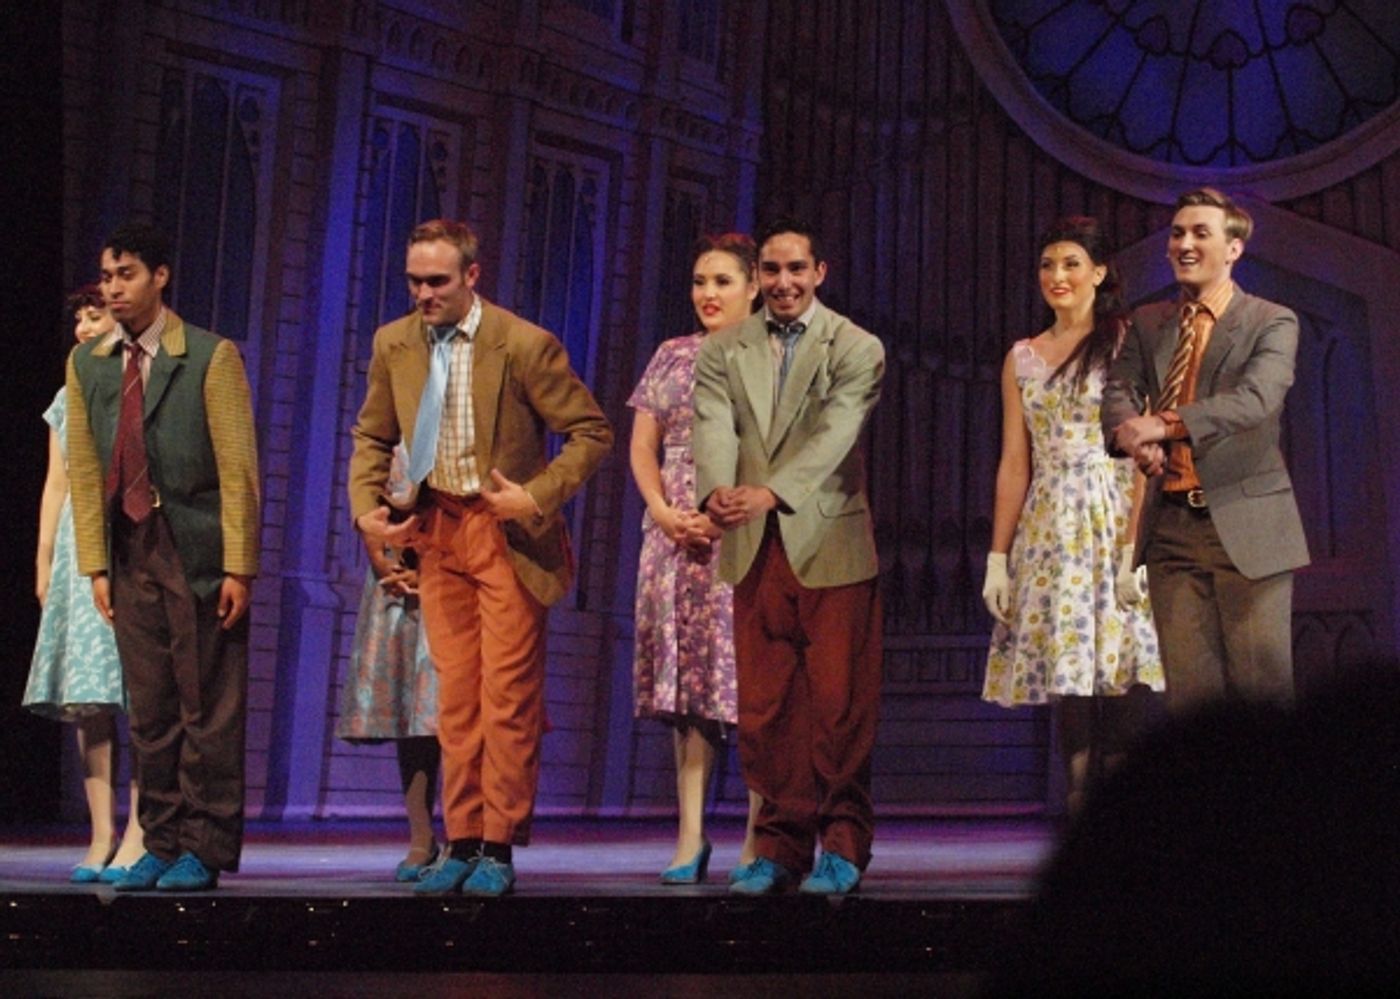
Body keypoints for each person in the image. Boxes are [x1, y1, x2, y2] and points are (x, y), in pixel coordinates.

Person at [349, 218, 612, 897]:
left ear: (472, 275)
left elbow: (590, 432)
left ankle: (498, 842)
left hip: (505, 534)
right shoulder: (395, 343)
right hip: (439, 528)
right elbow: (372, 434)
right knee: (456, 698)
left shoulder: (523, 343)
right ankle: (460, 837)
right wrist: (364, 506)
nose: (424, 293)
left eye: (437, 280)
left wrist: (535, 496)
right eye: (414, 280)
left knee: (508, 697)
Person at [693, 216, 885, 895]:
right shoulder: (724, 349)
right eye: (770, 270)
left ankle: (842, 844)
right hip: (754, 545)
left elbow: (837, 433)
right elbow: (713, 421)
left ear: (819, 272)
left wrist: (769, 492)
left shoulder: (856, 346)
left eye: (795, 269)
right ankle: (778, 844)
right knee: (768, 707)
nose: (782, 282)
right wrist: (718, 490)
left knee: (838, 705)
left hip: (827, 538)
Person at [66, 223, 261, 892]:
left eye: (126, 275)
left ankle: (204, 845)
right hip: (129, 547)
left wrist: (239, 565)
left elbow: (238, 470)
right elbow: (87, 467)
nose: (114, 288)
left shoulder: (207, 355)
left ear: (160, 276)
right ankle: (161, 835)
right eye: (107, 278)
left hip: (197, 548)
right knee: (149, 704)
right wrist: (95, 563)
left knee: (206, 700)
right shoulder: (90, 363)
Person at [982, 217, 1164, 815]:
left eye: (1070, 264)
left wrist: (1134, 548)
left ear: (1100, 272)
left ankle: (1118, 816)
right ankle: (1081, 808)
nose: (1057, 276)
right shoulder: (1022, 358)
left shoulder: (1125, 343)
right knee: (1071, 676)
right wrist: (998, 558)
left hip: (1113, 513)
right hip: (1052, 524)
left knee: (1118, 668)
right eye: (1047, 265)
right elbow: (1015, 461)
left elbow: (1142, 453)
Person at [1103, 188, 1308, 713]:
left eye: (1201, 233)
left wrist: (1164, 426)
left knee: (1261, 700)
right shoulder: (1148, 323)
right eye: (1177, 233)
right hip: (1170, 528)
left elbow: (1255, 401)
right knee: (1192, 712)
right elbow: (1119, 391)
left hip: (1245, 525)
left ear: (1234, 248)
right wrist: (1132, 436)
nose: (1184, 244)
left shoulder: (1271, 320)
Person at [628, 233, 763, 884]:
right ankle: (688, 836)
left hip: (743, 528)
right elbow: (642, 446)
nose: (708, 294)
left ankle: (756, 841)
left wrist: (725, 510)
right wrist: (661, 509)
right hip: (675, 535)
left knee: (750, 689)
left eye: (723, 281)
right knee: (689, 695)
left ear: (754, 285)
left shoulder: (771, 356)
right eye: (699, 281)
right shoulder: (671, 355)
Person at [24, 286, 145, 883]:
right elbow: (56, 483)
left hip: (127, 543)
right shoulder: (65, 396)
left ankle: (141, 832)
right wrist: (44, 560)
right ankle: (100, 832)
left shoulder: (138, 385)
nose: (81, 326)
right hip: (78, 550)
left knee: (142, 694)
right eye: (76, 317)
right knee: (90, 703)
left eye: (92, 314)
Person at [336, 444, 442, 882]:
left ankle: (466, 836)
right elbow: (370, 482)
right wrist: (382, 557)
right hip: (396, 570)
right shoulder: (392, 418)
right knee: (410, 710)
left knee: (452, 714)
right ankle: (421, 836)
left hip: (457, 571)